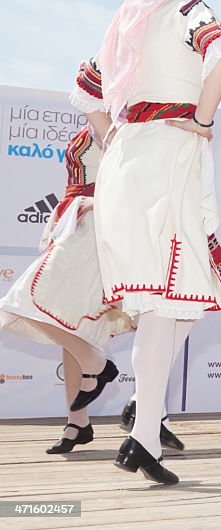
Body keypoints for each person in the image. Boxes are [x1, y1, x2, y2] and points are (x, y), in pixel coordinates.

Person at [92, 0, 221, 485]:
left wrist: (114, 134)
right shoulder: (188, 11)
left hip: (130, 160)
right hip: (170, 159)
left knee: (171, 305)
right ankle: (143, 432)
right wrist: (203, 119)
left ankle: (146, 428)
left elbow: (84, 89)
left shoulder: (126, 24)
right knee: (168, 304)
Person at [0, 64, 134, 452]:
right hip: (74, 226)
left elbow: (136, 185)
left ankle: (98, 365)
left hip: (98, 231)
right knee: (69, 325)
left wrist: (96, 202)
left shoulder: (120, 131)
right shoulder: (96, 127)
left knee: (18, 304)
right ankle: (78, 423)